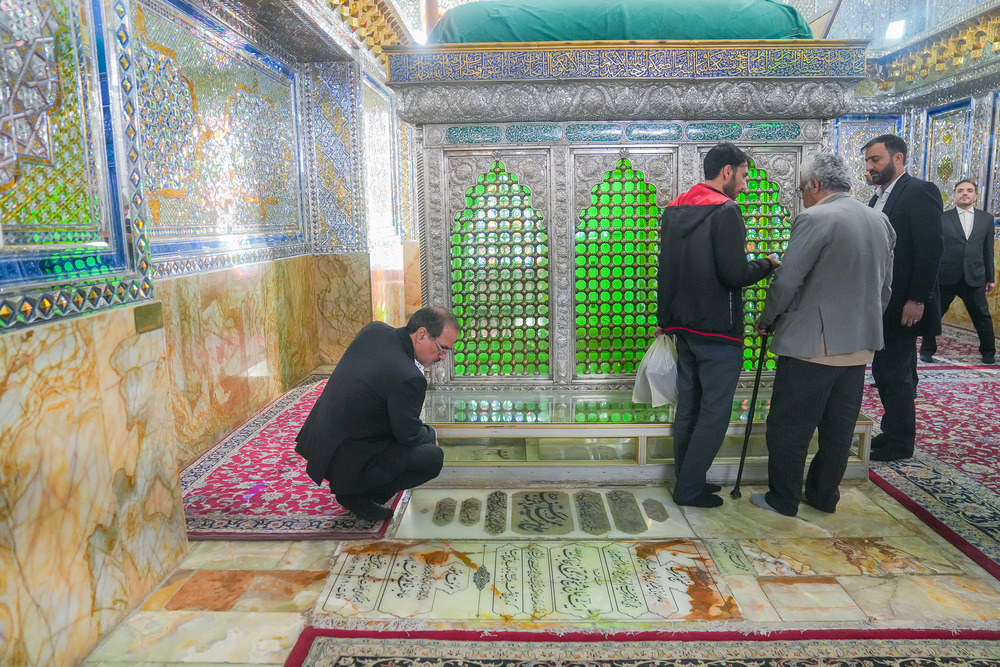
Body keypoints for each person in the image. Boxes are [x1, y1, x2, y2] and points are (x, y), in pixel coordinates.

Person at [750, 153, 895, 517]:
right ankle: (823, 495)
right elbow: (885, 288)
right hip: (859, 346)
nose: (802, 196)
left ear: (814, 185)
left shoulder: (816, 218)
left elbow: (787, 280)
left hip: (813, 347)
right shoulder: (879, 220)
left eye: (802, 189)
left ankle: (783, 499)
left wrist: (766, 318)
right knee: (838, 428)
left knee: (790, 424)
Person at [655, 142, 779, 508]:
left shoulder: (674, 209)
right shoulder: (725, 211)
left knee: (690, 407)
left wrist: (665, 321)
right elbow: (734, 274)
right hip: (718, 331)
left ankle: (688, 479)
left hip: (684, 329)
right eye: (743, 176)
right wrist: (768, 264)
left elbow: (665, 271)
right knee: (714, 412)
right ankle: (689, 488)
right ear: (727, 171)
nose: (744, 185)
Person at [294, 307, 458, 521]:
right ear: (421, 334)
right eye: (442, 348)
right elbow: (409, 435)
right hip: (347, 458)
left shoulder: (375, 330)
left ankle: (354, 486)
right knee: (431, 457)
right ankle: (358, 495)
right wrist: (431, 435)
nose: (443, 357)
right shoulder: (409, 377)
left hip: (320, 441)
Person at [862, 134, 943, 463]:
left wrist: (917, 299)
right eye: (868, 161)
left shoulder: (919, 191)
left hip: (904, 303)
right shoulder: (878, 197)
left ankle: (899, 443)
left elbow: (930, 249)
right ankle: (892, 431)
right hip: (882, 302)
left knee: (895, 373)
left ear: (897, 159)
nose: (870, 167)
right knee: (885, 370)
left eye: (876, 160)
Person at [919, 179, 996, 365]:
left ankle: (988, 352)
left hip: (974, 276)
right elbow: (934, 248)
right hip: (946, 275)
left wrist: (990, 278)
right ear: (954, 196)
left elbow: (988, 250)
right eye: (960, 190)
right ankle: (927, 350)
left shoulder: (986, 219)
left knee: (982, 316)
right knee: (934, 314)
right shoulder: (942, 217)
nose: (965, 193)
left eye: (969, 190)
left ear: (975, 196)